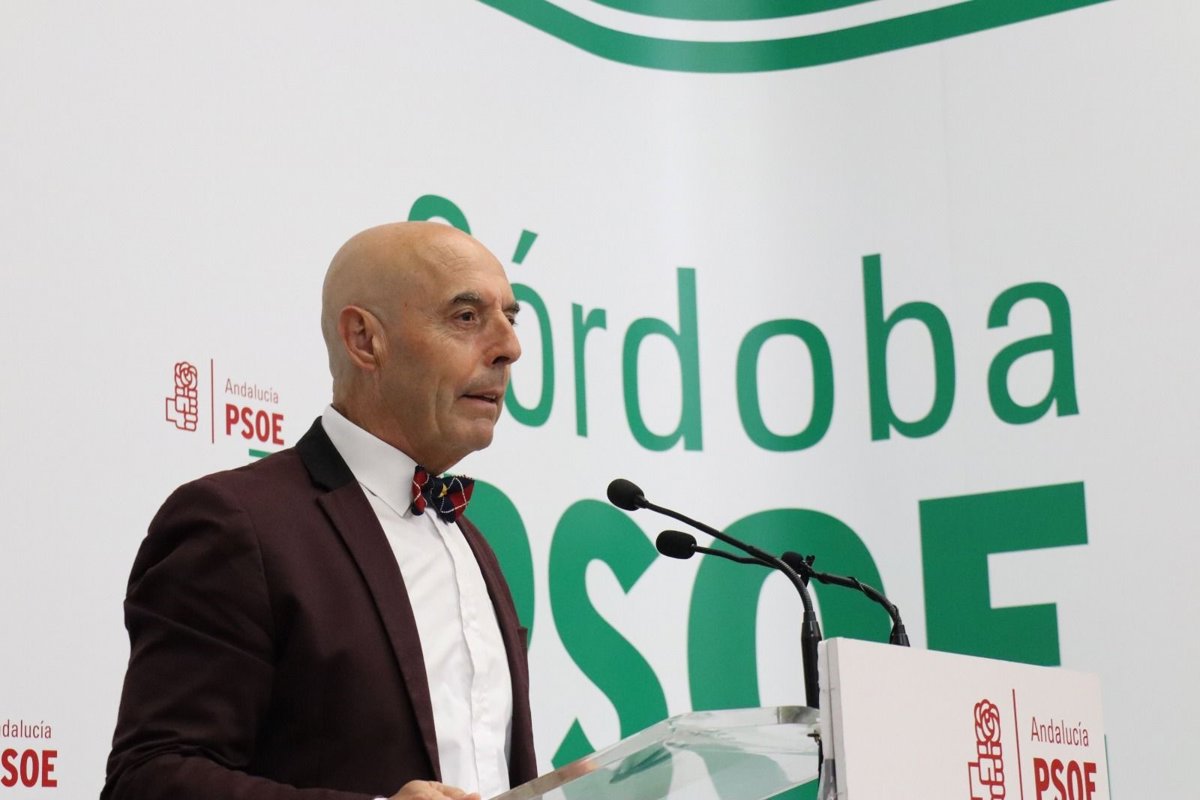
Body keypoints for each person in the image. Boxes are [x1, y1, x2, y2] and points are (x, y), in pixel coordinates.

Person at [102, 222, 536, 800]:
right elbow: (148, 779)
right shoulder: (237, 524)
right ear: (364, 339)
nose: (509, 348)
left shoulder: (471, 543)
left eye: (511, 318)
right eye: (466, 316)